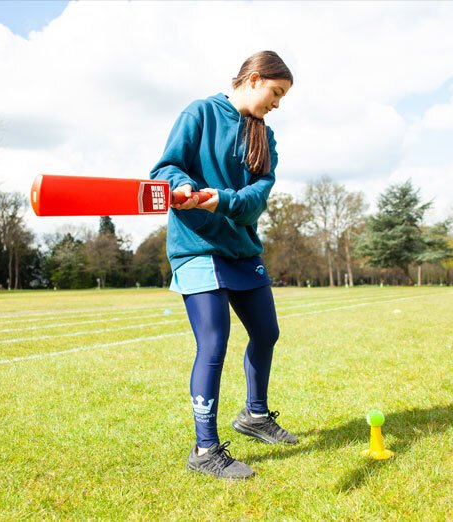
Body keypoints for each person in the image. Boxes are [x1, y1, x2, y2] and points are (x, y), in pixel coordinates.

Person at [150, 51, 296, 480]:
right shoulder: (199, 113)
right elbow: (166, 167)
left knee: (267, 333)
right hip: (197, 246)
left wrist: (223, 199)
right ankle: (205, 449)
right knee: (213, 344)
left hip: (242, 250)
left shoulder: (264, 139)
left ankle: (254, 416)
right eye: (276, 92)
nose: (277, 103)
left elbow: (258, 197)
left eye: (283, 96)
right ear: (253, 79)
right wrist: (183, 186)